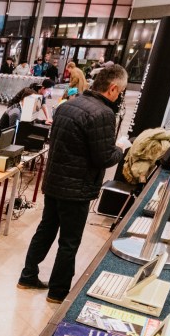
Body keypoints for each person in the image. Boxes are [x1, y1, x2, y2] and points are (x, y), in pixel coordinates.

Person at [18, 65, 131, 304]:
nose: (119, 97)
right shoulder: (103, 114)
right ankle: (58, 292)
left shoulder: (67, 105)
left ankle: (27, 276)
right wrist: (120, 148)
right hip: (76, 189)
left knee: (45, 230)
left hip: (54, 182)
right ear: (112, 88)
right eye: (120, 92)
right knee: (69, 242)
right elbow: (104, 157)